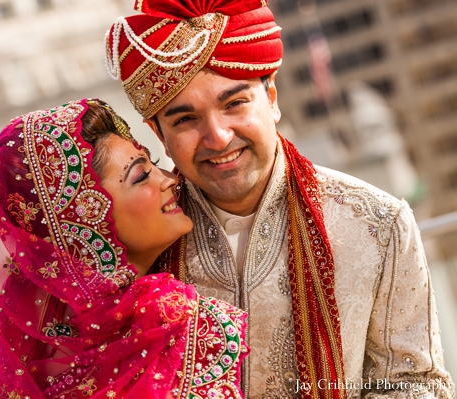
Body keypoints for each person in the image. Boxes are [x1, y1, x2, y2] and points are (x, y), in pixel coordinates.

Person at [104, 0, 455, 398]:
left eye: (234, 104)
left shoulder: (378, 222)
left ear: (271, 97)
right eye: (185, 120)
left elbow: (415, 383)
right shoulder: (142, 242)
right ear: (157, 134)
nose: (218, 137)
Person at [0, 99, 250, 398]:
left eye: (151, 163)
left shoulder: (20, 343)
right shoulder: (172, 319)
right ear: (83, 220)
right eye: (140, 176)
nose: (169, 178)